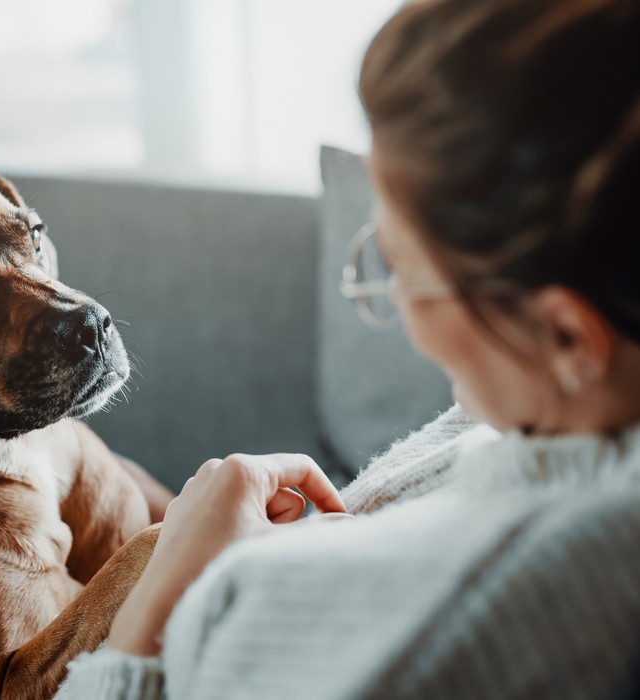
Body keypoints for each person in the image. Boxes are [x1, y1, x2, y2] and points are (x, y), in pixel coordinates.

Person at [56, 0, 640, 697]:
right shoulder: (556, 409)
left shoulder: (418, 637)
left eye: (401, 269)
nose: (393, 305)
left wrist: (162, 598)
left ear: (571, 338)